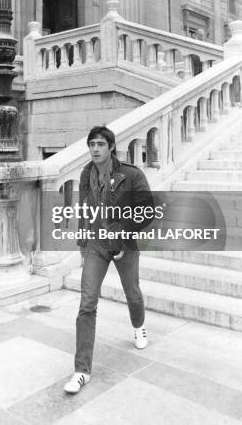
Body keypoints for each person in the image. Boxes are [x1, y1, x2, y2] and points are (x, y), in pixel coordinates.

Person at [64, 126, 154, 394]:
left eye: (100, 144)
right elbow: (85, 208)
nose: (94, 148)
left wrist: (125, 231)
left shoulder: (131, 174)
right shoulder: (86, 173)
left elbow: (147, 210)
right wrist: (82, 241)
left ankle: (139, 327)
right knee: (87, 303)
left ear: (111, 147)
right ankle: (81, 370)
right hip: (96, 243)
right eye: (91, 144)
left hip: (124, 243)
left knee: (132, 293)